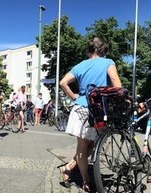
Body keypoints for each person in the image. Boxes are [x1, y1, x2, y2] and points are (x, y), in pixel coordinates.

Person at [56, 37, 122, 192]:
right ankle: (84, 180)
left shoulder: (80, 65)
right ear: (102, 50)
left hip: (80, 108)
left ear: (90, 50)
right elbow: (116, 83)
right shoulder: (108, 62)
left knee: (85, 146)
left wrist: (74, 97)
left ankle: (72, 171)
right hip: (98, 110)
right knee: (96, 144)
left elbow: (62, 83)